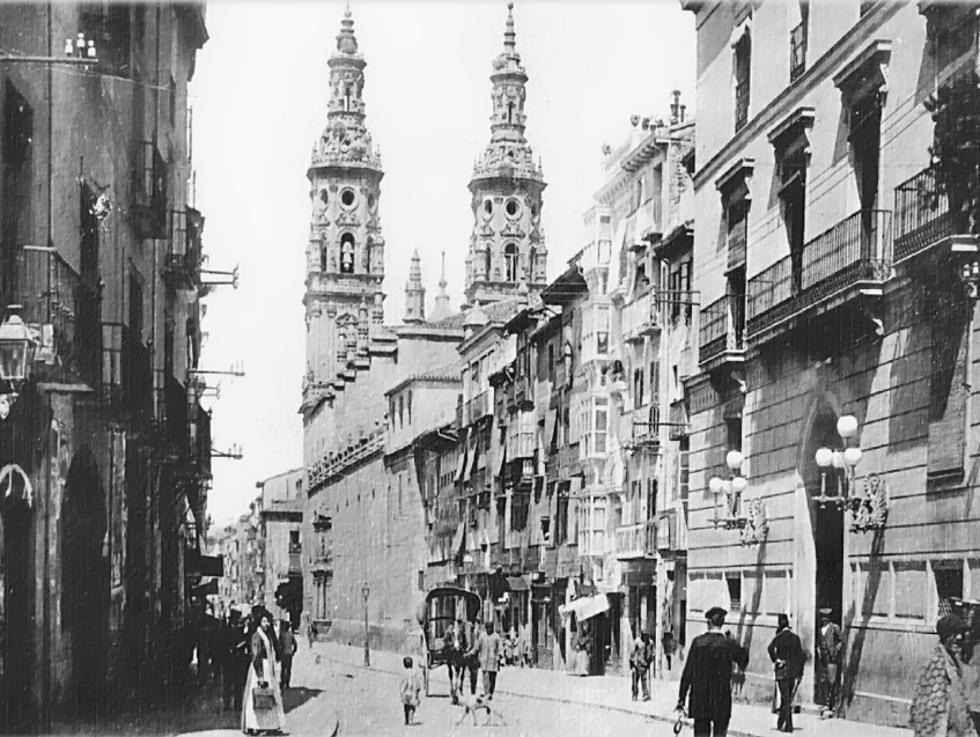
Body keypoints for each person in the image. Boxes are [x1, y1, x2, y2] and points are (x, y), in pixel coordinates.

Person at [677, 606, 749, 737]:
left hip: (701, 701)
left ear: (708, 622)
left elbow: (687, 673)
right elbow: (744, 660)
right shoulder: (728, 644)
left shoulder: (698, 643)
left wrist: (681, 699)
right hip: (721, 700)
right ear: (722, 623)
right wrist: (734, 641)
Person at [911, 614, 977, 737]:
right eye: (955, 633)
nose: (960, 637)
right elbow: (929, 709)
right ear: (945, 636)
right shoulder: (936, 662)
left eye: (962, 633)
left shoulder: (954, 662)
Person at [241, 608, 286, 736]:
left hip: (267, 669)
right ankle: (255, 725)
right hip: (259, 669)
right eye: (264, 621)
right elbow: (255, 657)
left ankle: (269, 725)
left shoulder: (267, 636)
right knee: (258, 697)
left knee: (268, 697)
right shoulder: (257, 636)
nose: (267, 624)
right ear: (259, 622)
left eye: (268, 622)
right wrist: (260, 676)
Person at [768, 614, 805, 733]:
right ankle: (781, 722)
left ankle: (789, 725)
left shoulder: (778, 637)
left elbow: (769, 648)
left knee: (786, 698)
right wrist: (800, 673)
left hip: (781, 671)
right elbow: (801, 656)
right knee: (787, 697)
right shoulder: (796, 638)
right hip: (792, 672)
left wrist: (776, 660)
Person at [220, 612, 251, 712]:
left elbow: (246, 641)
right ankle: (228, 703)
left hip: (237, 660)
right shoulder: (226, 629)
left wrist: (239, 646)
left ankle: (236, 704)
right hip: (229, 660)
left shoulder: (238, 630)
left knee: (236, 683)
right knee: (228, 683)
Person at [817, 608, 842, 717]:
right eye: (823, 617)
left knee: (832, 680)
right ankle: (826, 703)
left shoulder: (834, 628)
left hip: (832, 658)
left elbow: (841, 640)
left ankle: (832, 704)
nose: (824, 619)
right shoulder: (820, 629)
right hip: (823, 659)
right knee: (824, 680)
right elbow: (819, 642)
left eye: (826, 617)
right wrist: (818, 649)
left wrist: (836, 650)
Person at [476, 621, 502, 699]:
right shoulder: (482, 636)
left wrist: (500, 656)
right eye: (486, 628)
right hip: (484, 659)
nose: (488, 629)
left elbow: (500, 647)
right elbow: (477, 646)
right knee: (485, 677)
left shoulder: (496, 636)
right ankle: (487, 692)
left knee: (492, 677)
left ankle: (491, 692)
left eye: (489, 628)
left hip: (493, 660)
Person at [399, 656, 424, 726]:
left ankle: (406, 719)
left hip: (406, 692)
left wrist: (401, 691)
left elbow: (402, 683)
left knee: (406, 706)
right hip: (412, 692)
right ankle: (410, 719)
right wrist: (418, 690)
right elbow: (417, 683)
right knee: (412, 707)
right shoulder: (415, 673)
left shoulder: (403, 673)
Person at [630, 631, 651, 701]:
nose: (645, 638)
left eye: (646, 636)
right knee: (635, 681)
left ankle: (645, 694)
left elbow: (652, 653)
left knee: (644, 680)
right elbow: (632, 653)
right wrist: (632, 664)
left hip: (644, 665)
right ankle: (634, 694)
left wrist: (649, 661)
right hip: (636, 664)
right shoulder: (637, 642)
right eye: (644, 636)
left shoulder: (649, 643)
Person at [464, 620, 482, 696]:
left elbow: (476, 647)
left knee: (474, 674)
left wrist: (468, 654)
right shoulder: (470, 633)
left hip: (475, 657)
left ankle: (473, 691)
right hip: (470, 657)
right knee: (470, 674)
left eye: (477, 624)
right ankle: (472, 690)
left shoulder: (479, 634)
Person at [278, 619, 297, 690]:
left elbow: (279, 645)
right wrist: (293, 651)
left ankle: (283, 683)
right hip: (289, 654)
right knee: (288, 669)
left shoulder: (282, 634)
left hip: (284, 654)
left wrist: (279, 654)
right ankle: (287, 683)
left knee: (283, 669)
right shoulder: (291, 634)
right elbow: (295, 644)